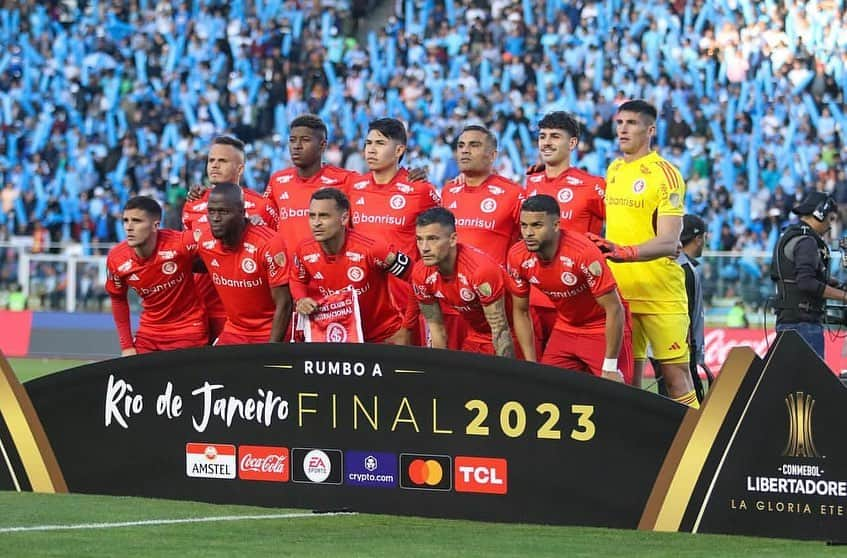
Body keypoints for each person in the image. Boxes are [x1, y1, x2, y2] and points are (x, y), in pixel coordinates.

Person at [591, 99, 698, 407]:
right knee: (628, 382)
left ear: (649, 130)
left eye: (631, 123)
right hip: (621, 296)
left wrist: (624, 252)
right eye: (620, 122)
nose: (622, 129)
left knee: (677, 378)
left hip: (660, 292)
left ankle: (701, 447)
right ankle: (637, 452)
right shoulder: (614, 170)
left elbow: (668, 241)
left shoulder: (666, 174)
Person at [507, 195, 628, 383]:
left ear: (556, 225)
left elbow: (614, 309)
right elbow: (521, 311)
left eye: (537, 225)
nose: (528, 233)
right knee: (544, 389)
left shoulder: (583, 253)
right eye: (524, 225)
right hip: (566, 327)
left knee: (620, 396)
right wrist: (530, 363)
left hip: (602, 327)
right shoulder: (517, 256)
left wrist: (610, 366)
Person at [350, 118, 441, 344]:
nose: (371, 149)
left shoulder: (420, 191)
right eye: (368, 142)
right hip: (363, 303)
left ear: (399, 149)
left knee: (406, 374)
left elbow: (443, 240)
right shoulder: (353, 188)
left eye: (380, 143)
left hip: (405, 305)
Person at [525, 111, 607, 355]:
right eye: (542, 136)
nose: (546, 142)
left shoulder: (593, 185)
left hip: (577, 300)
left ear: (572, 143)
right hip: (535, 297)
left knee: (576, 379)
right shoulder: (530, 181)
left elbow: (623, 222)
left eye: (555, 137)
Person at [183, 135, 279, 341]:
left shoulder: (262, 207)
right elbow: (190, 255)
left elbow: (277, 259)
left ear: (240, 169)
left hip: (246, 314)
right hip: (201, 308)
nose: (214, 166)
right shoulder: (192, 204)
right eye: (211, 160)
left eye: (223, 161)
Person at [291, 188, 413, 344]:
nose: (316, 223)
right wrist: (301, 299)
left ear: (344, 218)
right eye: (312, 216)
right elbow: (297, 279)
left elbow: (418, 279)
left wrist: (406, 329)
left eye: (324, 216)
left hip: (383, 337)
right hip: (341, 338)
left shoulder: (373, 249)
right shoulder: (304, 249)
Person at [438, 125, 523, 348]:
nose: (464, 151)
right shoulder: (448, 191)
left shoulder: (512, 193)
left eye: (474, 145)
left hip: (491, 304)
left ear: (492, 155)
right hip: (452, 305)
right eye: (461, 146)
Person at [105, 196, 208, 355]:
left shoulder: (180, 243)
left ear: (155, 225)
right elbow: (118, 299)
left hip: (188, 329)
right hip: (149, 333)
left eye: (137, 221)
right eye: (125, 220)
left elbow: (218, 241)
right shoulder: (116, 259)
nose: (129, 227)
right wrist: (127, 346)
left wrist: (253, 223)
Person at [193, 182, 292, 345]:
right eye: (211, 212)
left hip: (269, 332)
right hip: (234, 331)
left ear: (242, 212)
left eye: (223, 212)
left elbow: (285, 303)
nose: (216, 218)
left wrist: (272, 351)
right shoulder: (205, 242)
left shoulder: (268, 244)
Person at [411, 207, 514, 356]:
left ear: (453, 239)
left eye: (433, 239)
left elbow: (500, 329)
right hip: (475, 335)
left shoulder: (480, 271)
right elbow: (435, 327)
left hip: (511, 333)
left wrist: (505, 374)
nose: (424, 248)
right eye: (420, 240)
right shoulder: (421, 272)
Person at [770, 191, 847, 358]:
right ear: (819, 214)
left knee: (791, 382)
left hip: (787, 322)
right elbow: (806, 282)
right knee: (812, 383)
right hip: (804, 325)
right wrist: (843, 296)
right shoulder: (807, 241)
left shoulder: (791, 234)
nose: (830, 225)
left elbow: (798, 276)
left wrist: (833, 283)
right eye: (829, 218)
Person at [262, 114, 357, 248]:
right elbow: (264, 223)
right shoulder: (277, 181)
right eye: (292, 140)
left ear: (322, 145)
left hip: (329, 266)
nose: (297, 146)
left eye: (305, 140)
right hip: (289, 268)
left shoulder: (346, 180)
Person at [676, 214, 711, 402]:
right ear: (698, 239)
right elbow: (686, 314)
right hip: (681, 348)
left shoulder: (678, 265)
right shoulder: (685, 269)